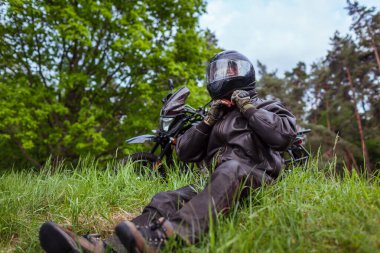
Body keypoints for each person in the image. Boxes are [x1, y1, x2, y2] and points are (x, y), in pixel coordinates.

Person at [39, 50, 297, 253]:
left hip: (255, 177)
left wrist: (248, 108)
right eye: (217, 72)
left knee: (230, 169)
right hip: (216, 181)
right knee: (165, 198)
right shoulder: (216, 117)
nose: (222, 75)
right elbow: (184, 152)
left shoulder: (268, 106)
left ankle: (167, 237)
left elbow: (282, 136)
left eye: (229, 69)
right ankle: (107, 246)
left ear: (245, 73)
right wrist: (207, 122)